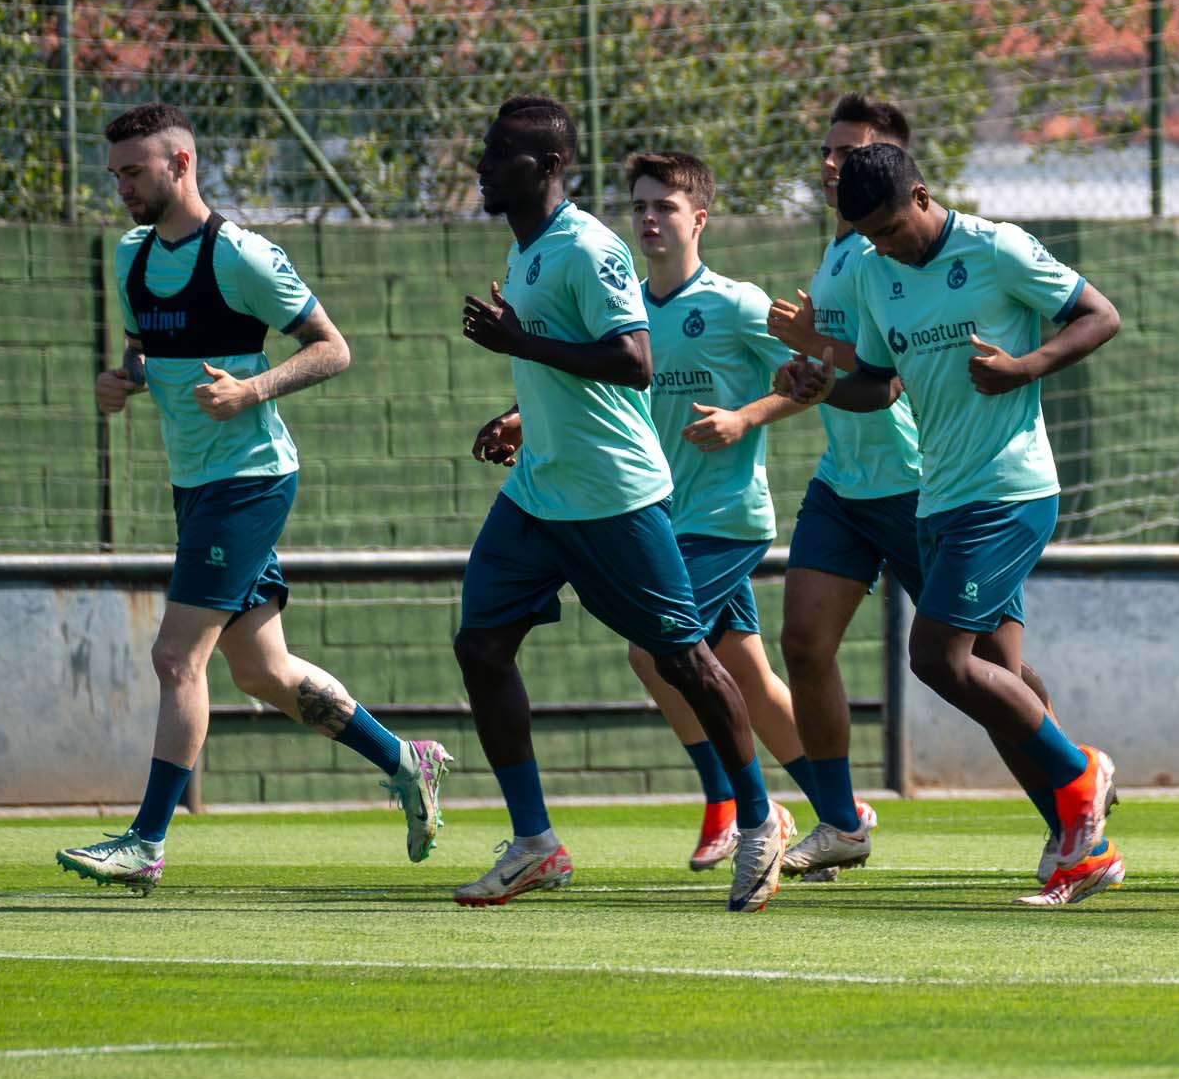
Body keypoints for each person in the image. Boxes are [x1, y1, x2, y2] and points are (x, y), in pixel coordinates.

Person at [58, 103, 447, 894]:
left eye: (135, 171)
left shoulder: (241, 256)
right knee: (264, 673)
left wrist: (255, 389)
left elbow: (333, 348)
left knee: (176, 657)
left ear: (181, 164)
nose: (122, 186)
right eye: (116, 173)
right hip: (195, 486)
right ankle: (407, 761)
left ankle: (146, 842)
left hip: (250, 481)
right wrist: (122, 382)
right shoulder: (130, 258)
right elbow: (146, 353)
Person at [452, 94, 788, 911]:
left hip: (612, 495)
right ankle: (535, 843)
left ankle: (756, 820)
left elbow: (633, 360)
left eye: (499, 153)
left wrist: (517, 343)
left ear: (545, 167)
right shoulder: (528, 249)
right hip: (539, 492)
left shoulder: (588, 247)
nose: (483, 166)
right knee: (480, 645)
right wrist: (522, 417)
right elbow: (565, 367)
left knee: (684, 660)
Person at [776, 142, 1122, 906]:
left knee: (935, 656)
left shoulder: (996, 248)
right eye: (869, 235)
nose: (885, 245)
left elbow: (1101, 316)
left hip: (1010, 490)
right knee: (998, 675)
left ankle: (1079, 774)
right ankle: (1083, 852)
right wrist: (819, 385)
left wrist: (1023, 368)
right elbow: (879, 384)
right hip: (939, 496)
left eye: (893, 228)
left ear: (923, 196)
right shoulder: (872, 272)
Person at [619, 149, 871, 873]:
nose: (648, 219)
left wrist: (744, 418)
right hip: (661, 519)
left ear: (699, 218)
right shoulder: (627, 311)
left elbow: (812, 378)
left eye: (663, 206)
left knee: (654, 651)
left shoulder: (733, 303)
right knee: (750, 679)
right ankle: (839, 819)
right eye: (638, 206)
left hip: (726, 516)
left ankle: (734, 806)